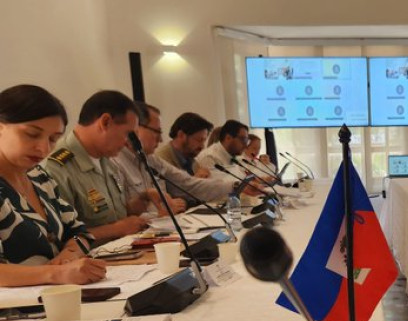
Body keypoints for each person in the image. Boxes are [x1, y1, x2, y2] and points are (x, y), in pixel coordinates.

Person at [0, 85, 106, 287]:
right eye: (31, 134)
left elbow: (80, 232)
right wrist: (55, 273)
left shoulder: (39, 177)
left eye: (53, 139)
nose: (43, 148)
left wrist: (69, 254)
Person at [43, 90, 148, 243]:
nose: (127, 142)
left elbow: (114, 214)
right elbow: (60, 237)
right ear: (105, 122)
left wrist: (142, 200)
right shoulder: (57, 167)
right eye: (127, 134)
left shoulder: (107, 160)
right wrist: (116, 229)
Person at [115, 102, 255, 215]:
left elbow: (189, 184)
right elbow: (122, 215)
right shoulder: (115, 163)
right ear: (135, 129)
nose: (161, 138)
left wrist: (235, 185)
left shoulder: (151, 160)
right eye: (156, 132)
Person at [155, 112, 213, 179]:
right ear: (181, 135)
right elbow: (163, 189)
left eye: (204, 141)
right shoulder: (160, 161)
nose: (202, 146)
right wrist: (195, 181)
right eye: (199, 140)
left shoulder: (192, 161)